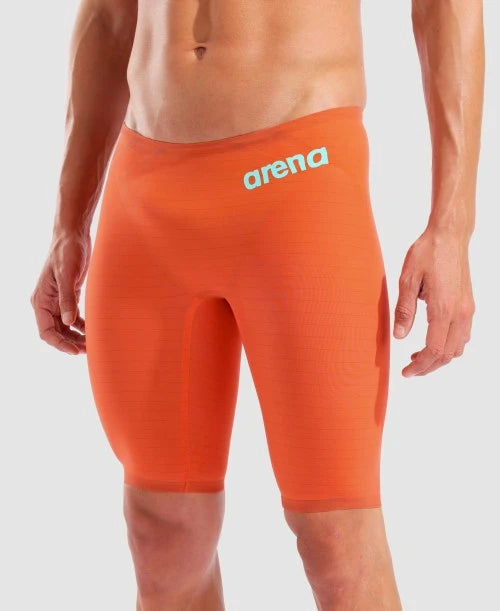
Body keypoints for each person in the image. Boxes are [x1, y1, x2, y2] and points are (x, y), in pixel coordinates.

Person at [30, 1, 483, 609]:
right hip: (145, 196)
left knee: (336, 540)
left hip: (298, 176)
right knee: (164, 536)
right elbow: (110, 15)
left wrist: (452, 228)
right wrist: (68, 221)